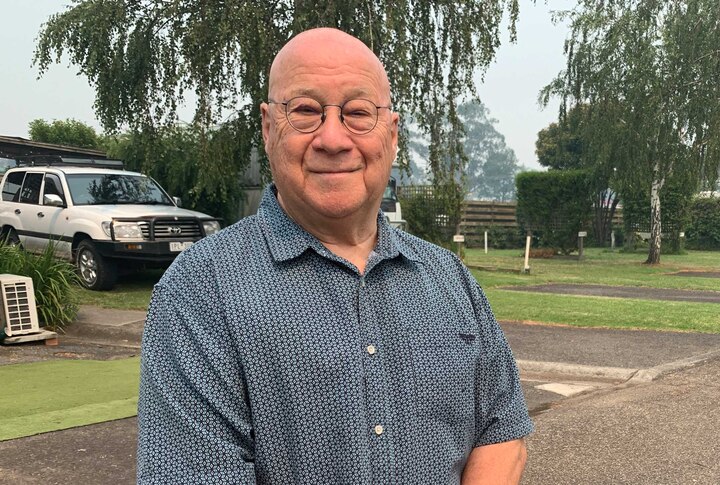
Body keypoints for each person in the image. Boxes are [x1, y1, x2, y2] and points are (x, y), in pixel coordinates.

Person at [136, 27, 533, 484]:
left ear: (391, 132)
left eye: (358, 113)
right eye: (305, 111)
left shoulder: (449, 279)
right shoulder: (201, 291)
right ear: (268, 128)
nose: (332, 138)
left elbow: (501, 430)